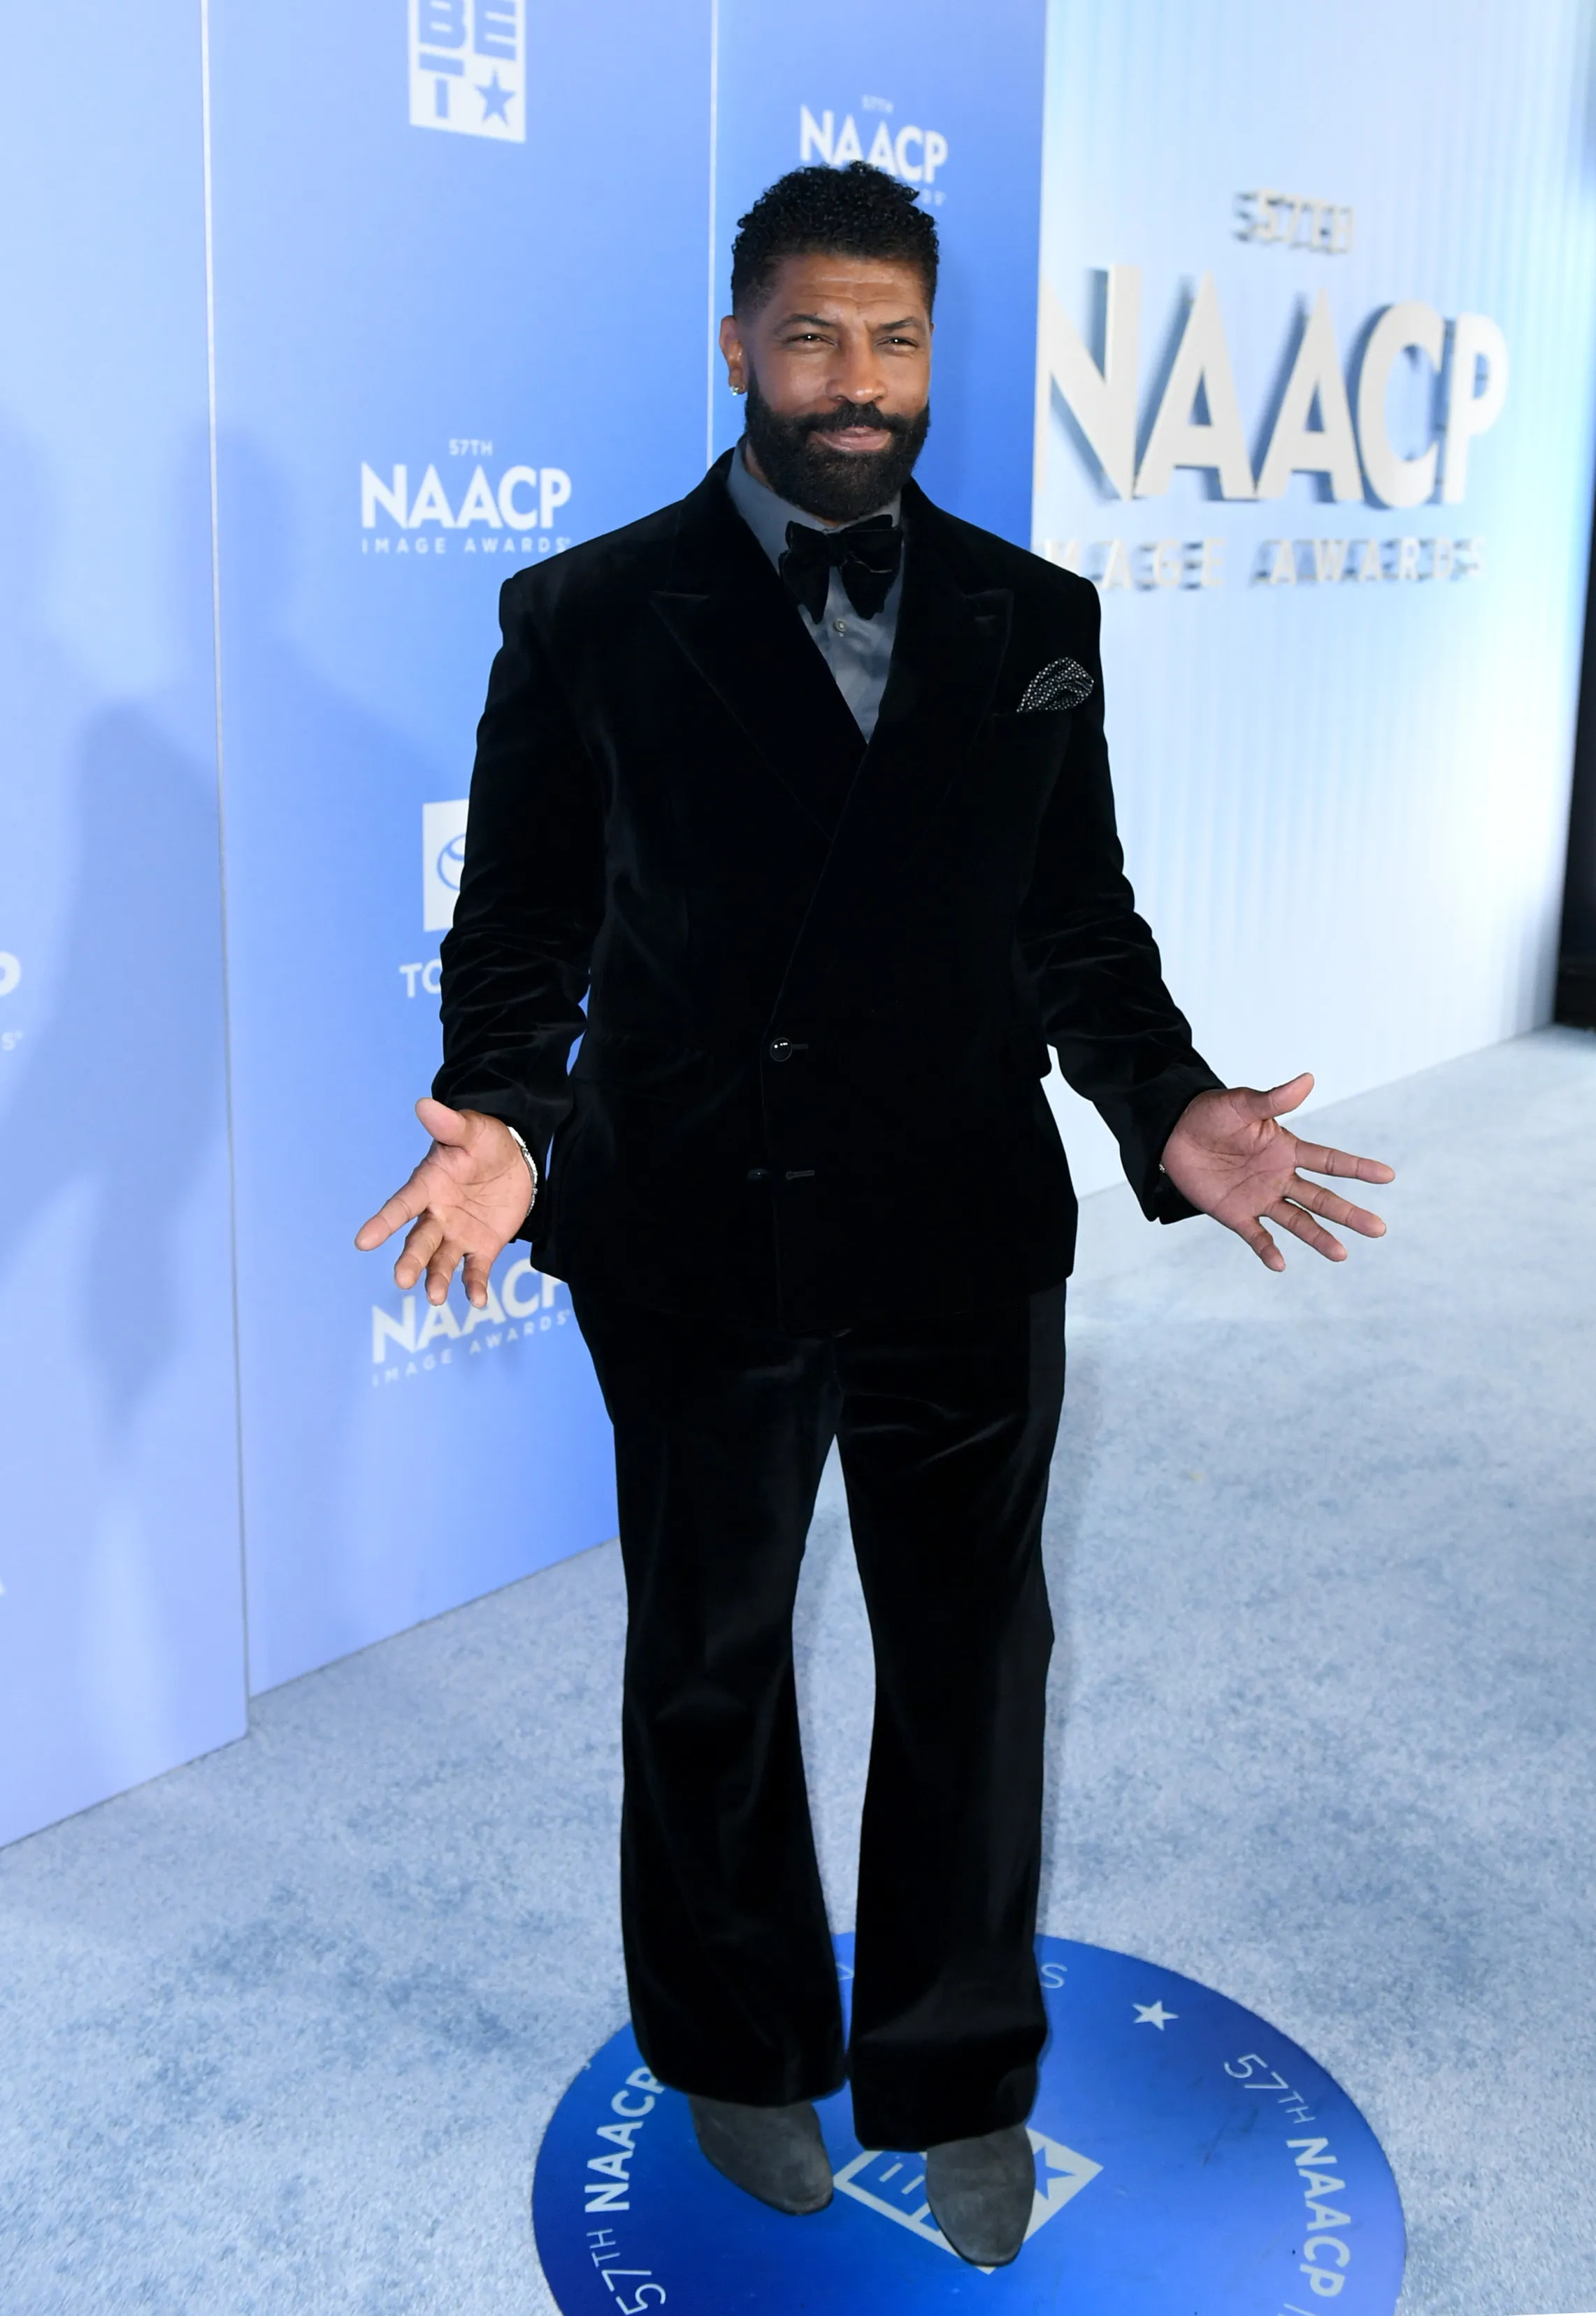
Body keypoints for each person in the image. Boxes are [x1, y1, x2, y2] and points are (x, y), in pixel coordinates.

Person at [356, 163, 1393, 2268]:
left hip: (957, 1225)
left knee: (975, 1664)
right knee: (709, 1661)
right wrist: (510, 1115)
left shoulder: (1036, 618)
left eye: (896, 340)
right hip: (693, 1229)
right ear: (739, 347)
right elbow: (525, 928)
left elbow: (1075, 923)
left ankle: (958, 2073)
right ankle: (737, 2047)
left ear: (933, 356)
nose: (858, 381)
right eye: (815, 336)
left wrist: (1169, 1105)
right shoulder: (584, 613)